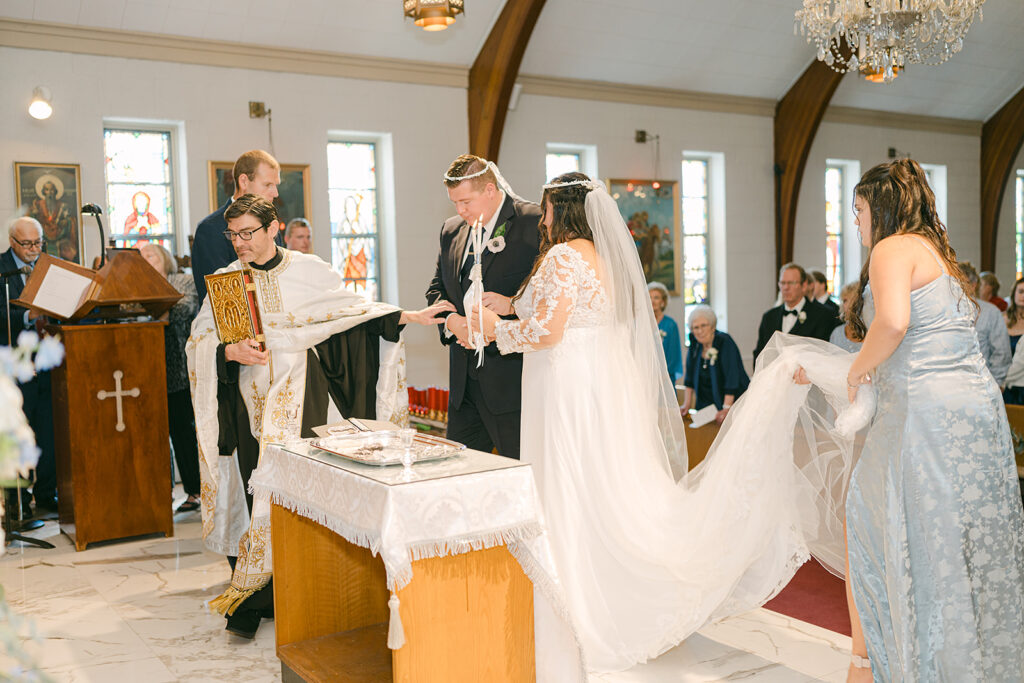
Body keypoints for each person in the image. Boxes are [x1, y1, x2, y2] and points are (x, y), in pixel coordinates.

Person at [472, 173, 852, 679]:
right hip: (588, 384)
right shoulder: (600, 258)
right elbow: (573, 313)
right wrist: (511, 303)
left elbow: (548, 331)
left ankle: (574, 602)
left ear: (562, 212)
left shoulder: (563, 255)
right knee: (597, 485)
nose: (541, 220)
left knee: (570, 484)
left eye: (545, 210)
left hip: (564, 386)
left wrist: (487, 326)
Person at [187, 195, 452, 639]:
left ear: (274, 228)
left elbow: (351, 315)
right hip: (249, 407)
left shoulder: (310, 271)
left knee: (302, 499)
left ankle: (307, 591)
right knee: (260, 491)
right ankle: (260, 595)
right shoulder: (227, 283)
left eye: (248, 233)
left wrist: (406, 316)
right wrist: (227, 351)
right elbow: (199, 344)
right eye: (232, 235)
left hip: (305, 400)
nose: (239, 243)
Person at [834, 159, 1023, 682]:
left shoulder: (891, 248)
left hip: (925, 412)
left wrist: (857, 368)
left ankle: (895, 661)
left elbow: (894, 322)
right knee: (950, 537)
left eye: (859, 210)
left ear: (882, 207)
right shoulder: (934, 250)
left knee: (879, 520)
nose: (857, 222)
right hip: (972, 411)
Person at [424, 154, 540, 459]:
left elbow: (551, 295)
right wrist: (452, 322)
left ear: (490, 190)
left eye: (466, 202)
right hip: (464, 389)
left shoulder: (532, 221)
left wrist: (513, 305)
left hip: (513, 385)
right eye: (455, 203)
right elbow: (437, 289)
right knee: (457, 475)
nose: (460, 211)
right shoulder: (451, 230)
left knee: (521, 475)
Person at [0, 217, 57, 516]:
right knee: (18, 434)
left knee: (48, 432)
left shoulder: (50, 266)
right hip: (13, 366)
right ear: (12, 241)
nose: (34, 249)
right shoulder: (2, 269)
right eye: (27, 244)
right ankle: (17, 503)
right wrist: (26, 315)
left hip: (47, 364)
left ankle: (48, 493)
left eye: (38, 242)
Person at [140, 243, 201, 514]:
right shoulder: (135, 286)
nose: (145, 259)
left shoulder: (182, 280)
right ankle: (160, 491)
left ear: (165, 258)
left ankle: (194, 491)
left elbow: (182, 310)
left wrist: (159, 310)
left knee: (182, 431)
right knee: (153, 435)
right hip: (145, 372)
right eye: (140, 257)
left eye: (150, 254)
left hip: (178, 369)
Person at [191, 150, 282, 302]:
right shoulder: (210, 229)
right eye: (268, 185)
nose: (276, 193)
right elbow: (219, 293)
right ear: (244, 181)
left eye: (276, 185)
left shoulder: (270, 225)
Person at [753, 263, 836, 362]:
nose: (786, 288)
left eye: (791, 283)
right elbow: (760, 353)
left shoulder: (823, 315)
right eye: (782, 283)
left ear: (804, 285)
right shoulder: (769, 317)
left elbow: (822, 354)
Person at [681, 304, 748, 423]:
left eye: (703, 326)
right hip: (705, 405)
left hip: (730, 402)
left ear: (712, 326)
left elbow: (732, 377)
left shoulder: (725, 341)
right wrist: (686, 404)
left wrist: (726, 408)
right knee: (703, 436)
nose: (700, 331)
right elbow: (689, 377)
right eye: (695, 327)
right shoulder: (695, 344)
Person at [959, 261, 1011, 386]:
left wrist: (995, 383)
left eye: (962, 283)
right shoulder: (945, 311)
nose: (957, 287)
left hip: (982, 383)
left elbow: (1001, 353)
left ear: (973, 285)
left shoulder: (991, 312)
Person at [647, 281, 682, 383]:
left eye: (656, 297)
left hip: (665, 377)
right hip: (646, 377)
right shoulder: (642, 324)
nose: (652, 301)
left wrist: (661, 375)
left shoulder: (671, 325)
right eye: (649, 297)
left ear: (663, 301)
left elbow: (673, 356)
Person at [828, 281, 863, 354]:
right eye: (844, 301)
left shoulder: (871, 331)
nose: (846, 305)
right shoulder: (837, 333)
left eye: (851, 300)